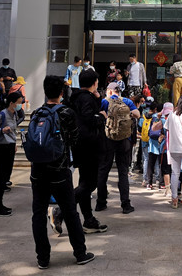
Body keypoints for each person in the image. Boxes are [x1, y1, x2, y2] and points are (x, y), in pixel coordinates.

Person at [30, 75, 95, 269]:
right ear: (61, 92)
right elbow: (74, 139)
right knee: (70, 212)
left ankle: (42, 258)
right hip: (59, 169)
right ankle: (80, 253)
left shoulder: (36, 113)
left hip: (37, 170)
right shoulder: (67, 112)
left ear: (45, 91)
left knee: (38, 213)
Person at [65, 69, 108, 233]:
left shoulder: (76, 97)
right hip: (90, 146)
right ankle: (60, 211)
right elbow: (89, 119)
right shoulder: (86, 99)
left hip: (80, 145)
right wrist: (102, 117)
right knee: (90, 184)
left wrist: (97, 99)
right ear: (94, 83)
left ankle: (89, 220)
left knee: (85, 183)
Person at [96, 82, 139, 214]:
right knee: (123, 172)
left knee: (103, 171)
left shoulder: (104, 102)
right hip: (124, 141)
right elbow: (137, 114)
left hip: (108, 139)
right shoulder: (126, 101)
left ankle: (101, 203)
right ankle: (125, 205)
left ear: (109, 91)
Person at [0, 91, 23, 217]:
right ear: (11, 103)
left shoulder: (14, 114)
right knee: (1, 178)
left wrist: (14, 143)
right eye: (19, 103)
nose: (20, 105)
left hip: (10, 147)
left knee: (5, 177)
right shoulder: (2, 114)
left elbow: (13, 130)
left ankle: (0, 205)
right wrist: (2, 130)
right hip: (2, 148)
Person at [145, 103, 164, 189]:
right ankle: (161, 183)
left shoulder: (152, 116)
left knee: (150, 164)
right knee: (161, 164)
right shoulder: (164, 118)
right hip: (161, 144)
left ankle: (149, 183)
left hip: (152, 143)